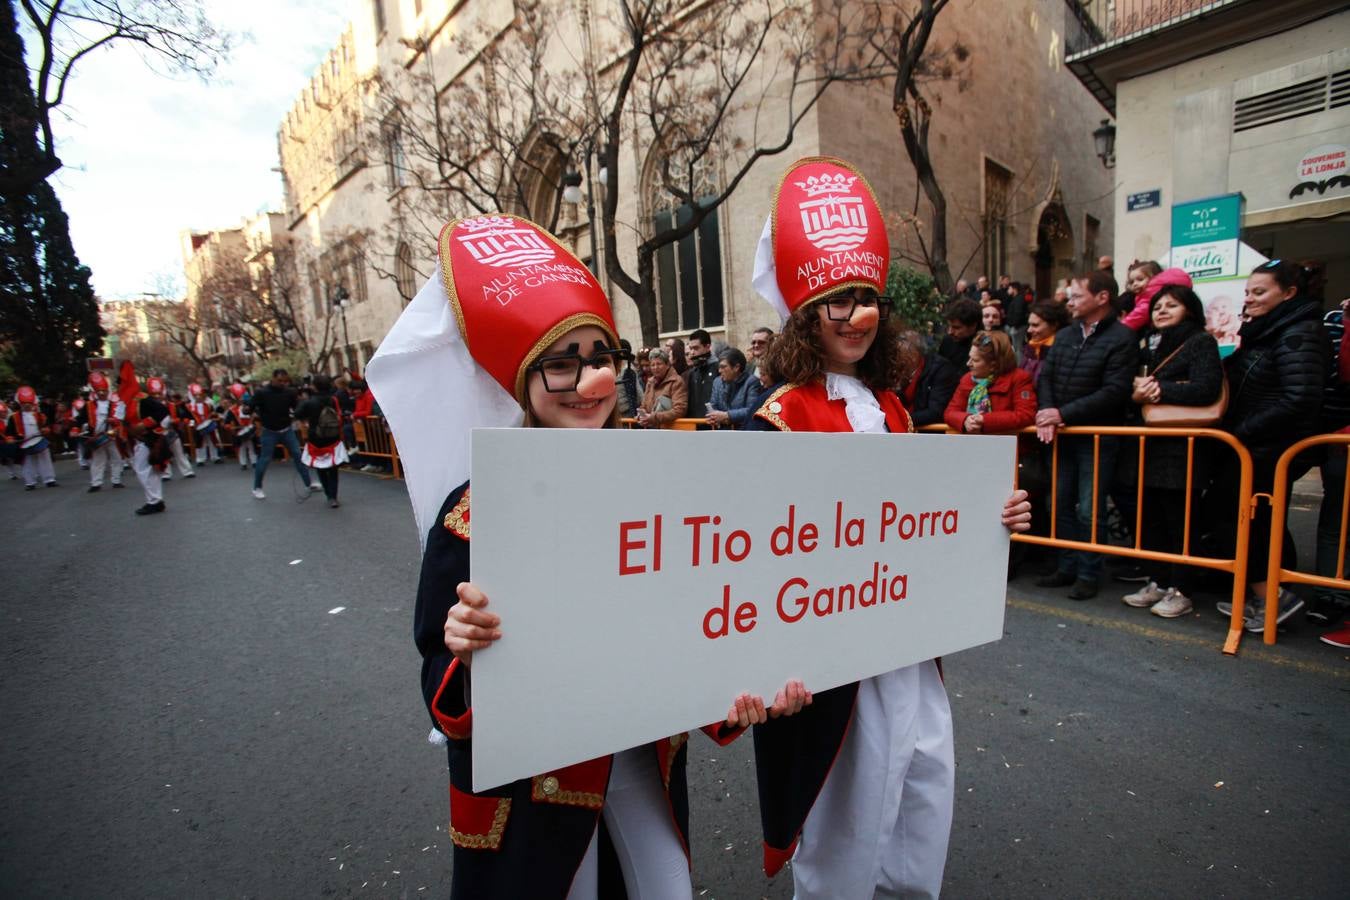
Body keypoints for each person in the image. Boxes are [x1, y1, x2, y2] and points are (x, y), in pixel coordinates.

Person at [365, 213, 806, 898]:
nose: (587, 381)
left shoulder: (661, 483)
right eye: (561, 363)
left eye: (600, 357)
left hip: (638, 753)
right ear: (522, 379)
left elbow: (697, 615)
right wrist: (464, 649)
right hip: (533, 787)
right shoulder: (474, 509)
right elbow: (438, 678)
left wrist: (742, 685)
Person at [747, 156, 1031, 899]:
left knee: (921, 794)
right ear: (807, 314)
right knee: (849, 819)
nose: (858, 317)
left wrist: (991, 520)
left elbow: (923, 526)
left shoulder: (897, 409)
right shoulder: (779, 417)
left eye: (867, 299)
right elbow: (756, 555)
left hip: (909, 649)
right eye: (838, 301)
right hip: (838, 662)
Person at [1209, 260, 1329, 632]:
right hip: (1256, 445)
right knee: (1256, 520)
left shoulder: (1299, 333)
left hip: (1269, 447)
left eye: (1259, 292)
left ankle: (1274, 597)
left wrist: (1243, 430)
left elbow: (1300, 397)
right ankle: (1265, 594)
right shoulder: (1267, 331)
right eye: (1247, 292)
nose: (1249, 300)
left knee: (1246, 518)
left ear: (1289, 293)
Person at [1118, 285, 1224, 618]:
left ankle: (1182, 588)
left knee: (1181, 521)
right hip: (1150, 446)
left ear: (1190, 309)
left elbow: (1207, 388)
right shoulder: (1149, 345)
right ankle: (1159, 580)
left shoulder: (1201, 342)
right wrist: (1138, 395)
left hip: (1183, 448)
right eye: (1157, 306)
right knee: (1152, 520)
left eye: (1172, 305)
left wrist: (1161, 390)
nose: (1162, 310)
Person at [1033, 270, 1135, 600]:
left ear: (1102, 298)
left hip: (1097, 437)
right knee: (1059, 502)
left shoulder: (1122, 338)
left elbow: (1114, 391)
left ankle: (1089, 573)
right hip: (1061, 435)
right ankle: (1067, 566)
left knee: (1090, 509)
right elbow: (1046, 378)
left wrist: (1064, 414)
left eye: (1077, 296)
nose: (1070, 301)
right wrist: (1048, 413)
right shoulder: (1064, 336)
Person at [944, 330, 1037, 434]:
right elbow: (950, 412)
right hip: (972, 444)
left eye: (975, 360)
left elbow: (1026, 414)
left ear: (994, 365)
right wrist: (965, 420)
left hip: (1008, 445)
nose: (968, 363)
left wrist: (984, 420)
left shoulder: (1019, 378)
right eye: (969, 358)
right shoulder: (967, 379)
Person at [249, 368, 316, 500]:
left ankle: (308, 483)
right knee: (265, 459)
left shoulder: (289, 392)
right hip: (269, 430)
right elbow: (250, 407)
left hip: (286, 429)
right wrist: (249, 410)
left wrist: (300, 415)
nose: (283, 383)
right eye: (280, 381)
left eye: (285, 381)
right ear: (273, 378)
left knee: (298, 455)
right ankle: (257, 487)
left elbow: (296, 407)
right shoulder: (262, 393)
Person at [296, 374, 349, 508]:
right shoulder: (333, 400)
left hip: (316, 437)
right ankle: (334, 496)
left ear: (314, 386)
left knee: (321, 467)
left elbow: (298, 414)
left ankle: (328, 495)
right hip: (333, 435)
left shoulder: (309, 402)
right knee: (333, 469)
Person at [896, 330, 960, 429]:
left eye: (899, 354)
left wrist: (902, 419)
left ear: (913, 354)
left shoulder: (941, 370)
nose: (897, 359)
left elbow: (936, 411)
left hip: (931, 433)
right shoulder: (900, 371)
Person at [75, 372, 125, 492]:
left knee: (116, 458)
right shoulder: (88, 406)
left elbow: (121, 418)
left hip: (111, 436)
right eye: (99, 391)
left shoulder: (114, 404)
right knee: (98, 460)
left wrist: (113, 421)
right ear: (95, 392)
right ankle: (96, 483)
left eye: (104, 391)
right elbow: (79, 420)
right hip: (97, 437)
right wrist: (75, 429)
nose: (102, 393)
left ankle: (116, 481)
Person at [6, 386, 57, 489]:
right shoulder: (14, 417)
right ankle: (30, 482)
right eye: (24, 404)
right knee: (28, 463)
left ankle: (49, 479)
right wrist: (10, 438)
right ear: (20, 404)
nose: (27, 406)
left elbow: (47, 425)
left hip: (40, 440)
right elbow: (9, 431)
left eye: (29, 403)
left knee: (45, 459)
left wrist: (46, 430)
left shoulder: (40, 415)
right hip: (24, 443)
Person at [705, 347, 764, 429]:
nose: (719, 371)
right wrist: (711, 416)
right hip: (722, 431)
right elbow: (713, 405)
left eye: (723, 367)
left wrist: (727, 416)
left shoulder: (751, 382)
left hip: (743, 431)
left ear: (736, 367)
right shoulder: (717, 382)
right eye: (719, 367)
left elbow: (752, 410)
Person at [1020, 300, 1070, 386]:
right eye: (1029, 325)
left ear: (1054, 325)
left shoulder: (1064, 353)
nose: (1029, 330)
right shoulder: (1030, 349)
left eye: (1035, 325)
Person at [635, 348, 687, 427]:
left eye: (659, 364)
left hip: (670, 430)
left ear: (667, 365)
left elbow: (679, 410)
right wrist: (641, 414)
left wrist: (653, 417)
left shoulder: (676, 381)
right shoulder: (650, 382)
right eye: (652, 365)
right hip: (651, 428)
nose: (655, 367)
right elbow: (644, 405)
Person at [682, 328, 719, 419]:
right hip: (695, 424)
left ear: (707, 347)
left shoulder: (718, 369)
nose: (692, 353)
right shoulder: (693, 373)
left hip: (713, 423)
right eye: (691, 349)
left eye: (696, 348)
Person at [937, 297, 981, 369]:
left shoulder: (984, 347)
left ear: (973, 326)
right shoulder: (947, 341)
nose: (950, 332)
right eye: (949, 326)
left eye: (956, 328)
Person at [186, 383, 222, 465]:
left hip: (208, 424)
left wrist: (213, 418)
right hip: (198, 426)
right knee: (200, 443)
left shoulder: (208, 404)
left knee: (212, 441)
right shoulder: (189, 406)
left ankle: (215, 457)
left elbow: (214, 412)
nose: (198, 397)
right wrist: (192, 424)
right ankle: (200, 459)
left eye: (200, 395)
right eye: (196, 395)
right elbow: (188, 417)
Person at [615, 338, 643, 418]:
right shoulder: (618, 368)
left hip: (627, 415)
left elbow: (637, 394)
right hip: (619, 414)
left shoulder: (628, 370)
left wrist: (635, 414)